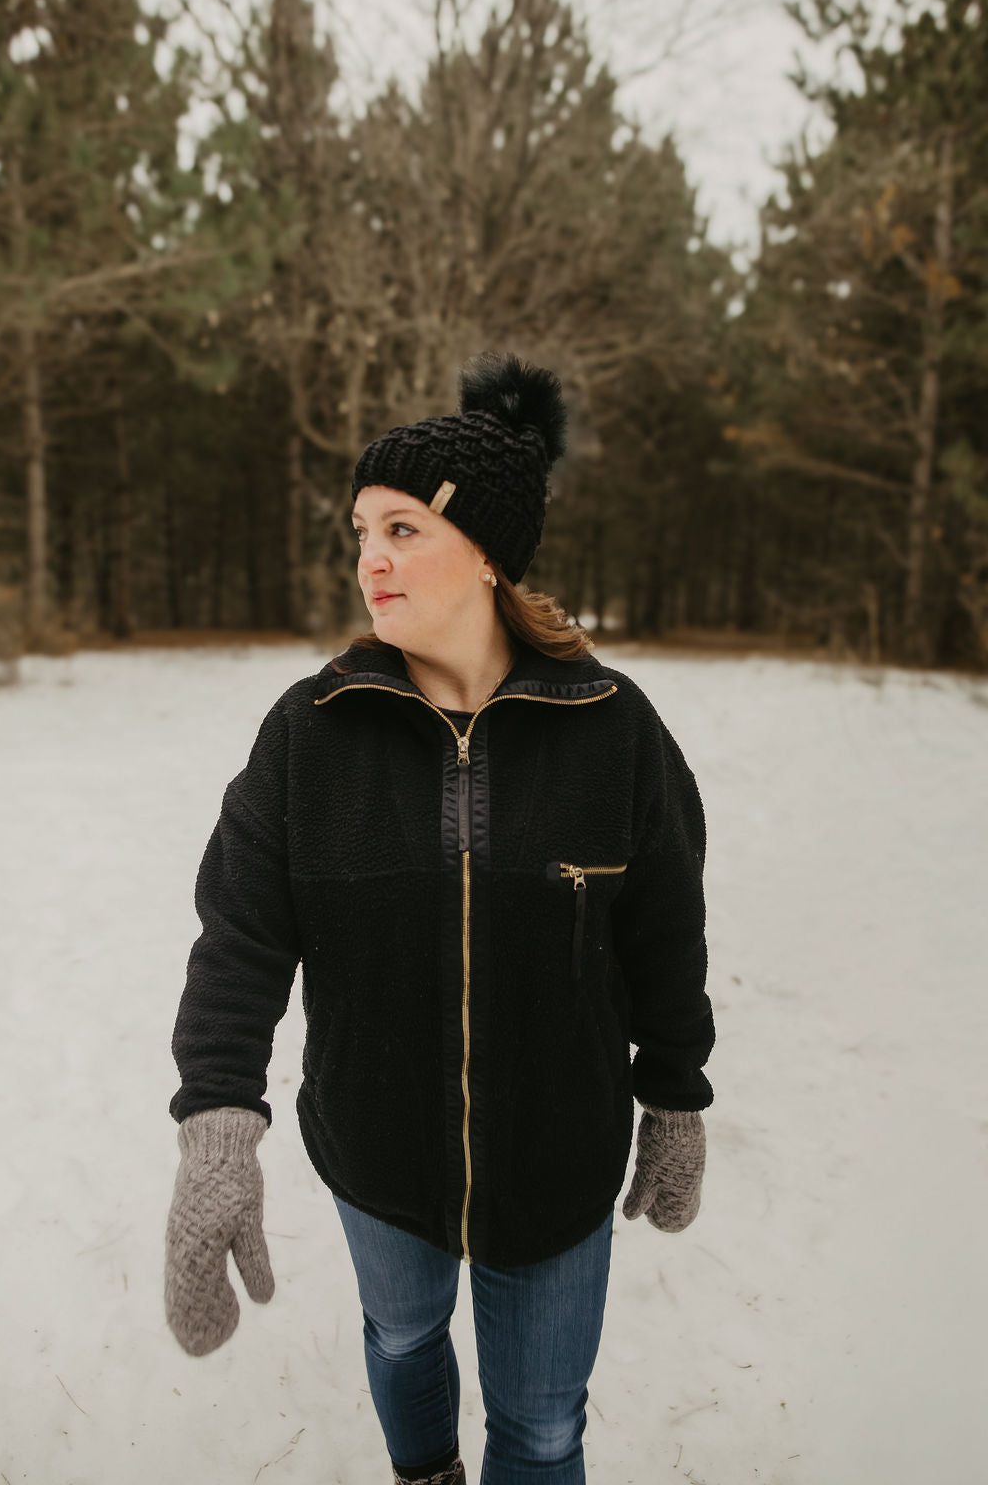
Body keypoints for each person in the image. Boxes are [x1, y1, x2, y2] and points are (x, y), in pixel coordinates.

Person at [164, 352, 715, 1485]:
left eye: (403, 529)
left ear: (489, 553)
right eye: (361, 530)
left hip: (556, 1165)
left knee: (544, 1431)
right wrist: (217, 1125)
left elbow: (665, 932)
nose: (370, 556)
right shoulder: (312, 732)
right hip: (378, 1153)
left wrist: (675, 1093)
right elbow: (240, 937)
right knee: (404, 1338)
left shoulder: (614, 731)